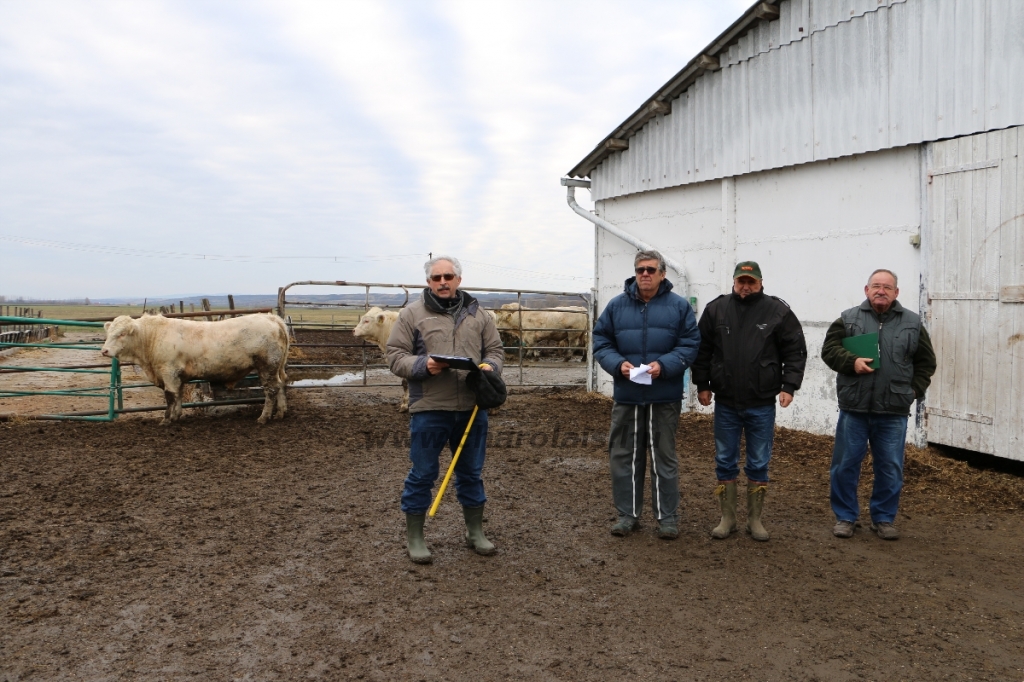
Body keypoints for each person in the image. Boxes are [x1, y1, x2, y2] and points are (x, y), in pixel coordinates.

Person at [386, 256, 505, 564]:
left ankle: (474, 531)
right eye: (436, 277)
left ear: (458, 280)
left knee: (471, 472)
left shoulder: (479, 314)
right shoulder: (412, 314)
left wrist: (490, 366)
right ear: (428, 282)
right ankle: (415, 537)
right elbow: (395, 355)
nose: (442, 282)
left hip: (472, 407)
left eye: (448, 276)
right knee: (423, 473)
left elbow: (495, 349)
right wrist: (422, 365)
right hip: (429, 409)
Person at [692, 261, 807, 542]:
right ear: (733, 282)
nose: (745, 286)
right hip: (726, 402)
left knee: (758, 462)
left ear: (761, 282)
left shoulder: (777, 311)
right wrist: (703, 385)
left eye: (751, 282)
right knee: (724, 460)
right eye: (741, 281)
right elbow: (702, 349)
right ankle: (727, 518)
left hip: (762, 403)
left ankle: (754, 519)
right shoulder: (716, 309)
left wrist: (789, 386)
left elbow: (795, 351)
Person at [592, 250, 701, 539]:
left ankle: (667, 518)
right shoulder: (616, 307)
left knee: (664, 458)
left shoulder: (678, 307)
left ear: (663, 274)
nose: (645, 274)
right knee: (624, 456)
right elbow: (601, 342)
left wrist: (663, 366)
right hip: (627, 396)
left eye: (651, 270)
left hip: (663, 396)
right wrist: (618, 365)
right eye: (640, 269)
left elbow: (690, 344)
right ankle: (628, 516)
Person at [821, 269, 936, 541]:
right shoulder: (848, 318)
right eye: (876, 286)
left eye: (887, 287)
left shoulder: (912, 323)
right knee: (845, 465)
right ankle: (846, 517)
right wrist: (851, 362)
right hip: (854, 408)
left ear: (897, 292)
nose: (881, 290)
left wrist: (912, 392)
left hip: (893, 411)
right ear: (866, 289)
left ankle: (883, 519)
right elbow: (829, 350)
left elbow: (926, 363)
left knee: (890, 467)